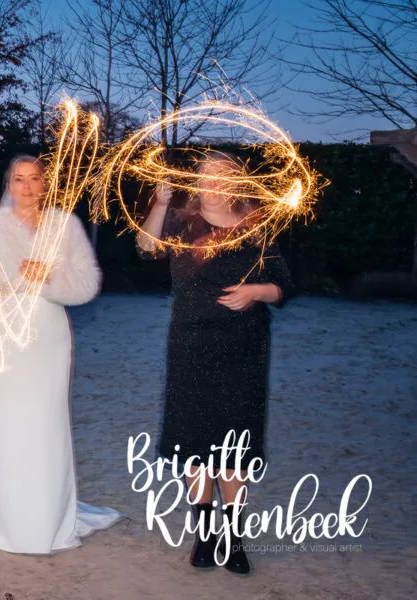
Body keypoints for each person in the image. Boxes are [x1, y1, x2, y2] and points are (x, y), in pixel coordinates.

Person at [0, 155, 123, 554]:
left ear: (46, 184)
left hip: (48, 335)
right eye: (18, 180)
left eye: (35, 179)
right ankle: (0, 520)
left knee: (46, 425)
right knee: (5, 425)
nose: (27, 187)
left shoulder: (64, 225)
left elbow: (88, 283)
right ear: (8, 185)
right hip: (1, 334)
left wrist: (49, 277)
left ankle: (47, 520)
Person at [136, 152, 294, 574]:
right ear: (196, 180)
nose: (213, 182)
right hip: (191, 344)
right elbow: (146, 247)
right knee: (196, 442)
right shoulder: (181, 224)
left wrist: (256, 291)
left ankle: (234, 539)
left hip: (243, 348)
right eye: (206, 174)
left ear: (237, 182)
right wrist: (161, 202)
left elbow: (286, 284)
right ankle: (205, 536)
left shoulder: (256, 224)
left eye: (223, 175)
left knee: (234, 448)